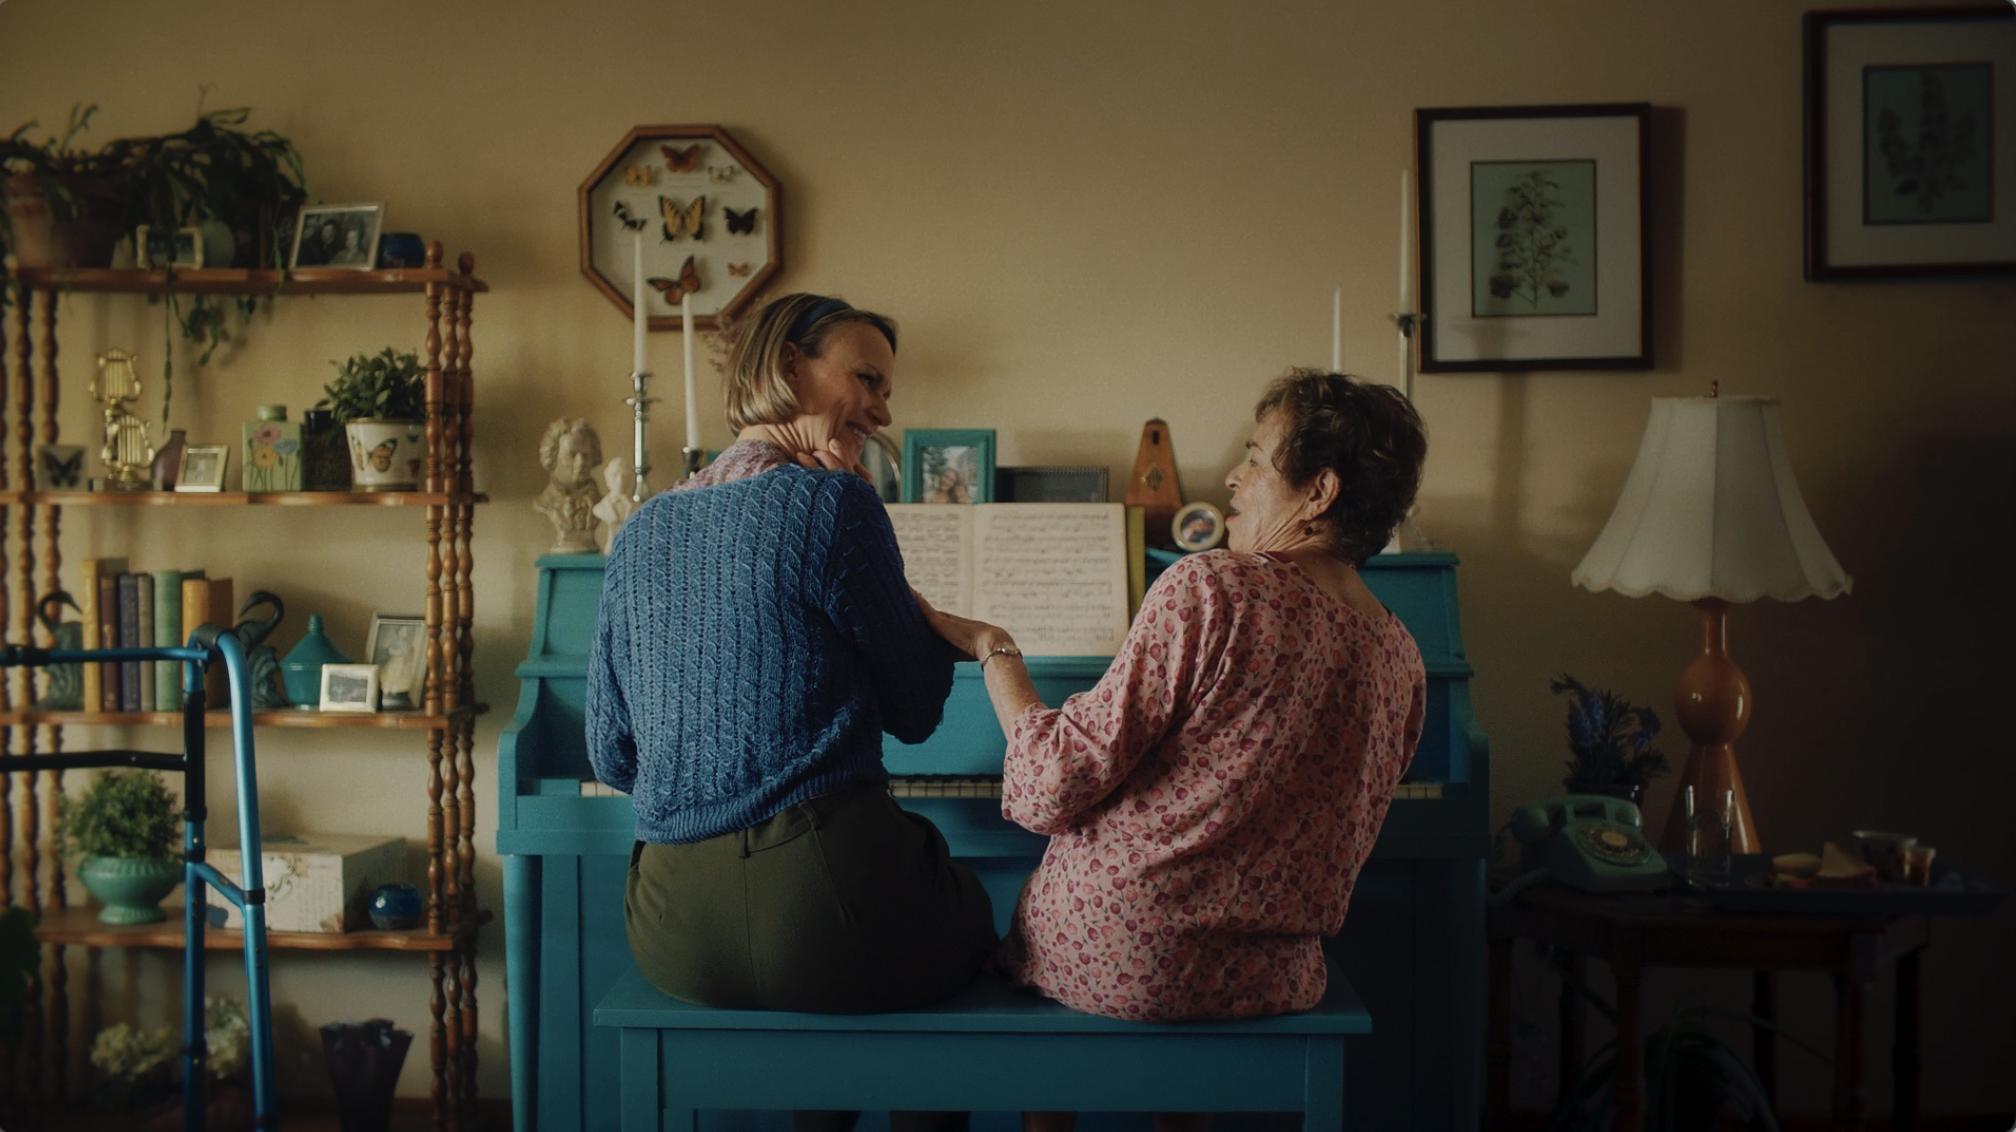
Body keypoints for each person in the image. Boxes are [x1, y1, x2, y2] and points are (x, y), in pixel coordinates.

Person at [922, 370, 1428, 1127]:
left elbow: (1050, 786)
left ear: (1318, 492)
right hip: (1275, 973)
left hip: (1129, 959)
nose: (1232, 475)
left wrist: (997, 650)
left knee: (998, 925)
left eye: (1256, 458)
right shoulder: (1402, 653)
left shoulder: (1213, 587)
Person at [587, 291, 996, 1017]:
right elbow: (917, 709)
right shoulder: (833, 503)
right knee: (973, 918)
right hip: (825, 909)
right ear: (787, 364)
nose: (883, 411)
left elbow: (612, 756)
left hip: (667, 928)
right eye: (867, 380)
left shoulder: (640, 530)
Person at [533, 417, 603, 554]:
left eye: (586, 455)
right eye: (572, 454)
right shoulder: (545, 502)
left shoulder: (600, 503)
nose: (580, 462)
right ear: (552, 456)